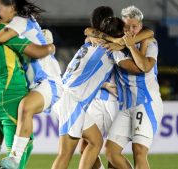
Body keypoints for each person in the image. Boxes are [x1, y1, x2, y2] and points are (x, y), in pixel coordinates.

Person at [0, 0, 63, 168]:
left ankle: (14, 159)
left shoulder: (19, 21)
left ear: (13, 7)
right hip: (32, 84)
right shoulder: (7, 21)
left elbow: (0, 37)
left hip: (48, 81)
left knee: (25, 107)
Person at [80, 6, 155, 169]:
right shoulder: (94, 39)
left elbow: (148, 33)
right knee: (86, 147)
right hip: (97, 98)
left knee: (110, 152)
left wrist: (122, 43)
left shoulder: (119, 40)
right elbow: (88, 32)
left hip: (115, 99)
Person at [51, 16, 125, 169]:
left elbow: (86, 72)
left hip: (67, 96)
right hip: (72, 101)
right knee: (65, 154)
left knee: (96, 141)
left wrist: (103, 84)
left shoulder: (89, 43)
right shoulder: (109, 51)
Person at [105, 6, 163, 169]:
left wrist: (130, 45)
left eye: (134, 26)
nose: (130, 30)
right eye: (126, 27)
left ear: (141, 26)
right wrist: (128, 44)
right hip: (125, 106)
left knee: (139, 151)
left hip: (146, 103)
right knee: (111, 152)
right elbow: (137, 67)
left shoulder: (151, 43)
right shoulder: (116, 49)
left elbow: (144, 67)